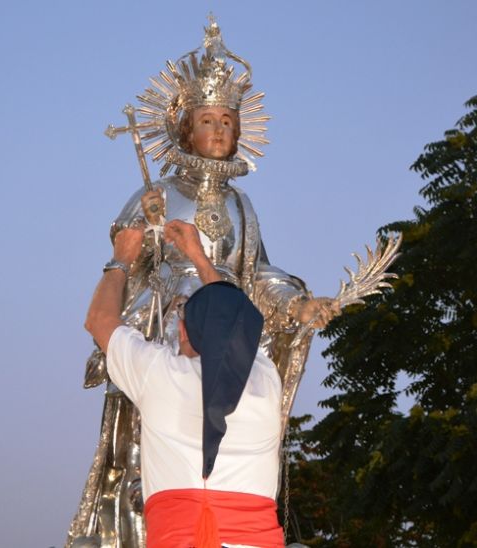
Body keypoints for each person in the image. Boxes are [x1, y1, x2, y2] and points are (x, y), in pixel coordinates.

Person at [66, 18, 338, 548]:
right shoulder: (161, 191)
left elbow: (256, 275)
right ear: (184, 128)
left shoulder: (242, 204)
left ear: (239, 131)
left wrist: (295, 303)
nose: (218, 131)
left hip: (218, 334)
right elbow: (129, 252)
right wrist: (146, 232)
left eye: (227, 121)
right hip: (166, 330)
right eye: (206, 119)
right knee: (145, 450)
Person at [85, 219, 284, 548]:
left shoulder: (160, 374)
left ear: (182, 332)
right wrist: (200, 258)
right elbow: (234, 321)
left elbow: (99, 320)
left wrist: (121, 258)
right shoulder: (265, 379)